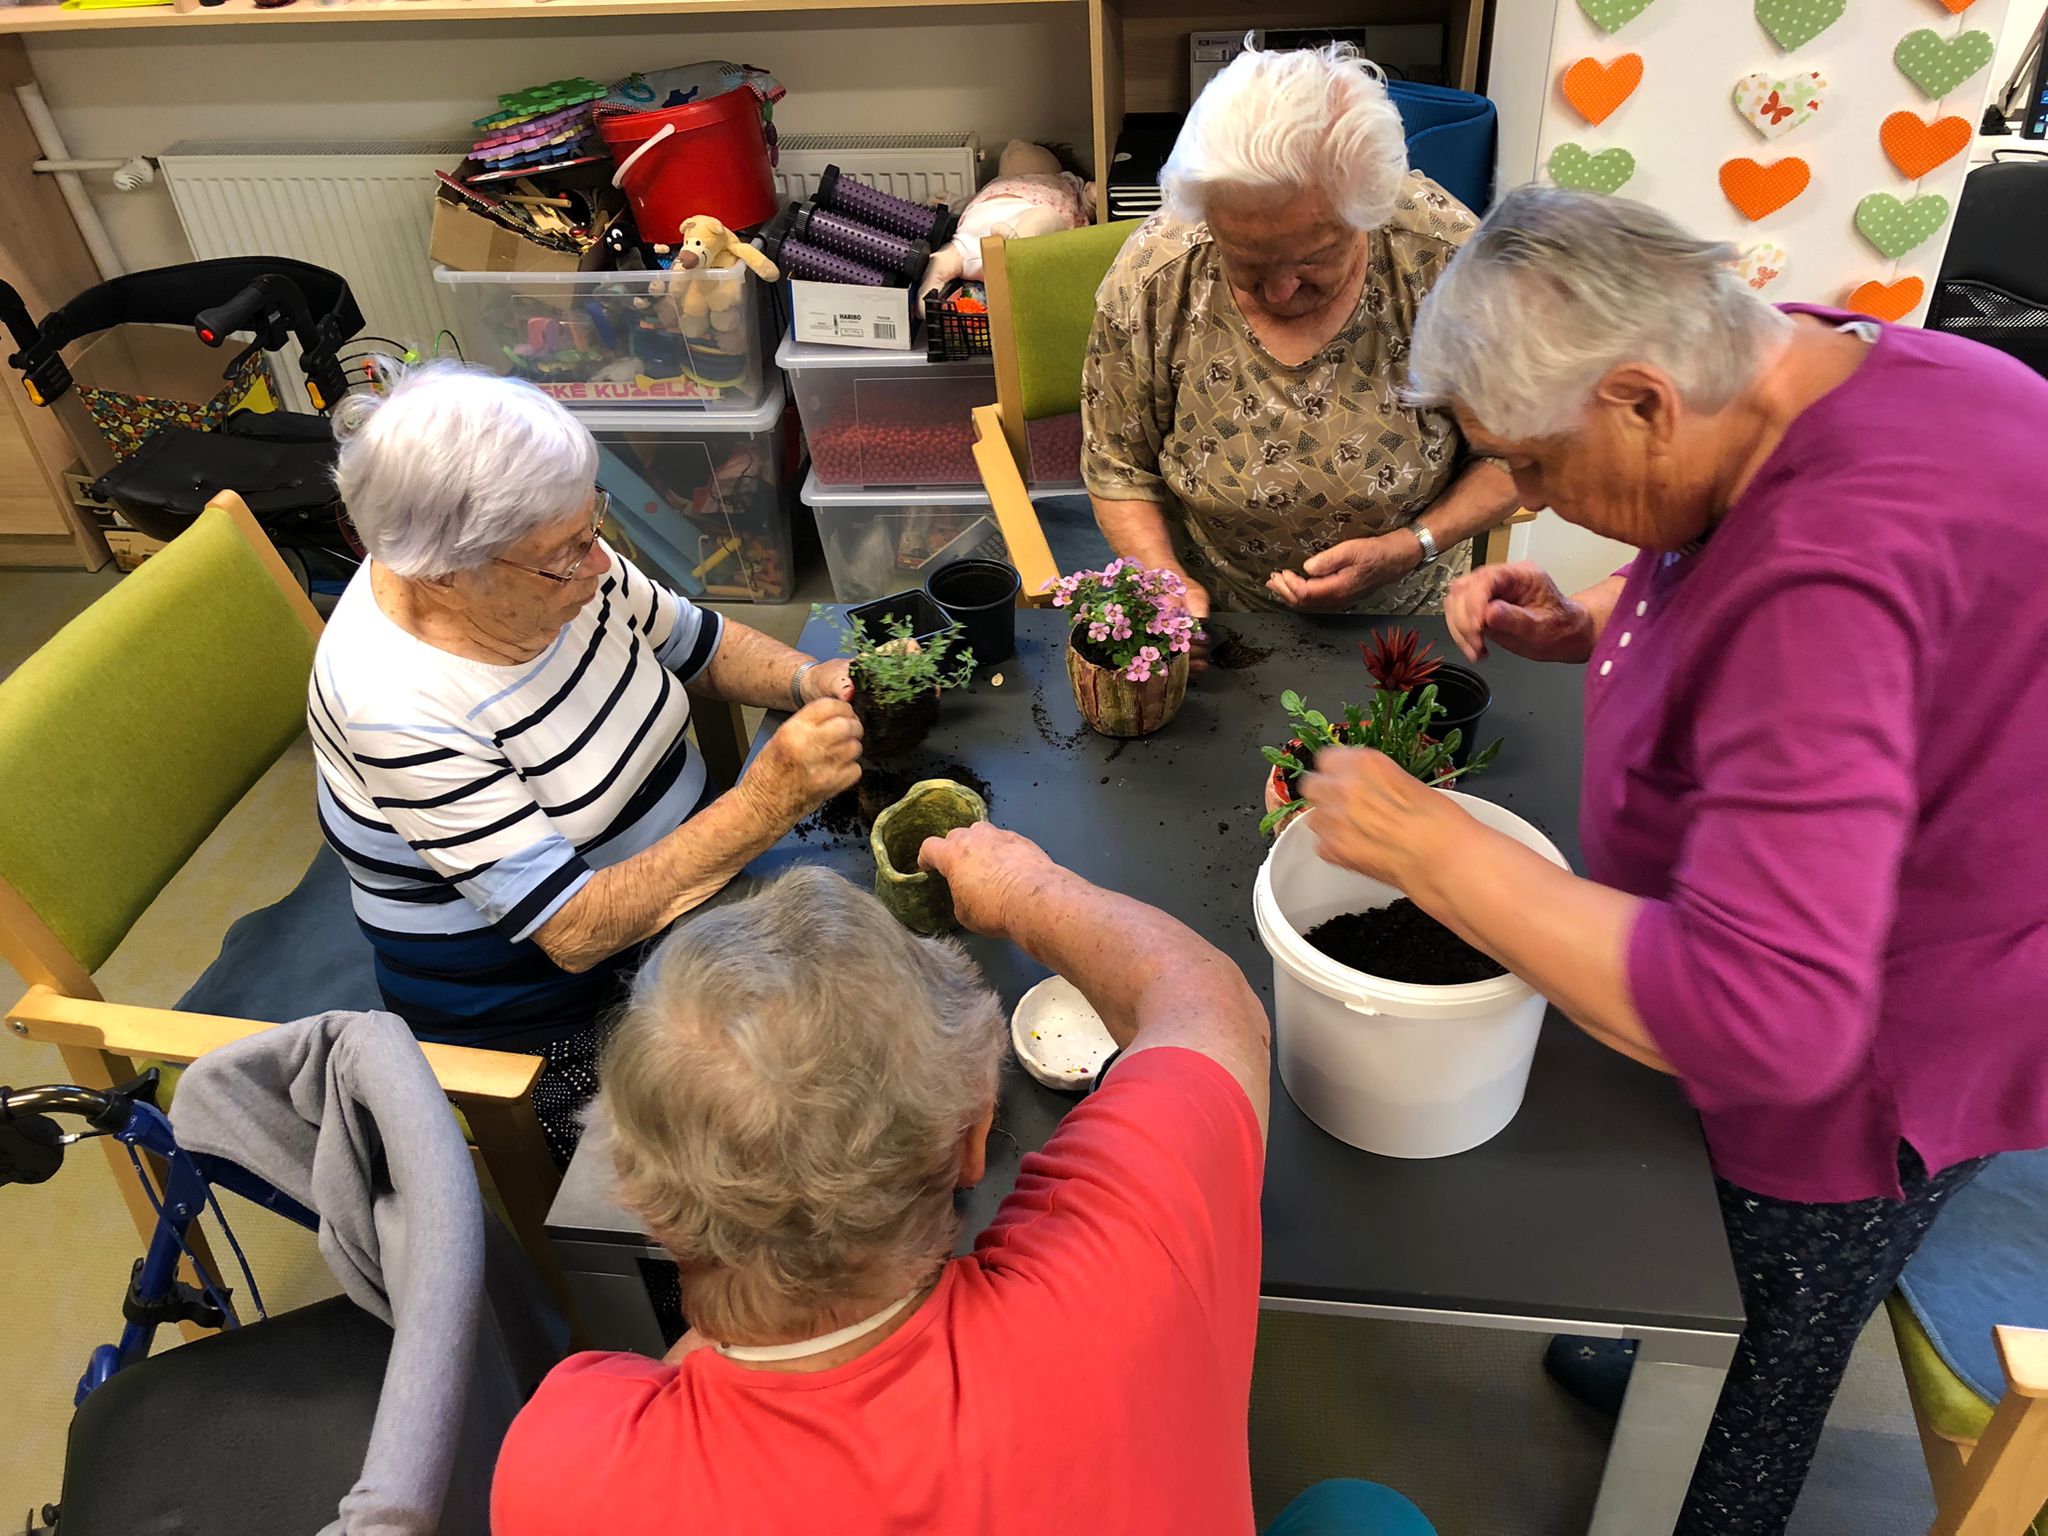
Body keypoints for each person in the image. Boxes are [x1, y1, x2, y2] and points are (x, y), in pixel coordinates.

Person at [1303, 187, 2048, 1534]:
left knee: (1753, 1360)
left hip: (1888, 1049)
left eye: (1534, 466)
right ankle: (1648, 1363)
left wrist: (1433, 847)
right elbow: (1763, 578)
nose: (1532, 500)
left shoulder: (1830, 574)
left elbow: (1767, 1015)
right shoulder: (1812, 361)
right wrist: (1602, 617)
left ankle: (1704, 1470)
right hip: (1890, 892)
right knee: (1690, 1281)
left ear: (1642, 399)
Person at [491, 838, 1436, 1536]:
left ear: (636, 1189)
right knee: (1366, 1514)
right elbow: (1209, 1003)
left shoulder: (562, 1470)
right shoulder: (1125, 1270)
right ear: (974, 1136)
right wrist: (1027, 890)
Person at [311, 364, 862, 1161]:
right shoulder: (395, 706)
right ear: (447, 575)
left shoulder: (546, 567)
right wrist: (767, 803)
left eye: (588, 525)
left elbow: (694, 643)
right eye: (568, 551)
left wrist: (807, 678)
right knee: (768, 1144)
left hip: (686, 897)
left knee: (871, 1004)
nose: (600, 563)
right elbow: (575, 931)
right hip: (551, 1006)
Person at [1081, 43, 1518, 624]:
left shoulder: (1445, 261)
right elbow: (1117, 466)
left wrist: (1412, 545)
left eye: (1313, 258)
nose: (1280, 292)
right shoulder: (1157, 276)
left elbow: (1515, 453)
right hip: (1220, 613)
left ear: (1370, 211)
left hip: (1408, 611)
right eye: (1247, 261)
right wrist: (1168, 585)